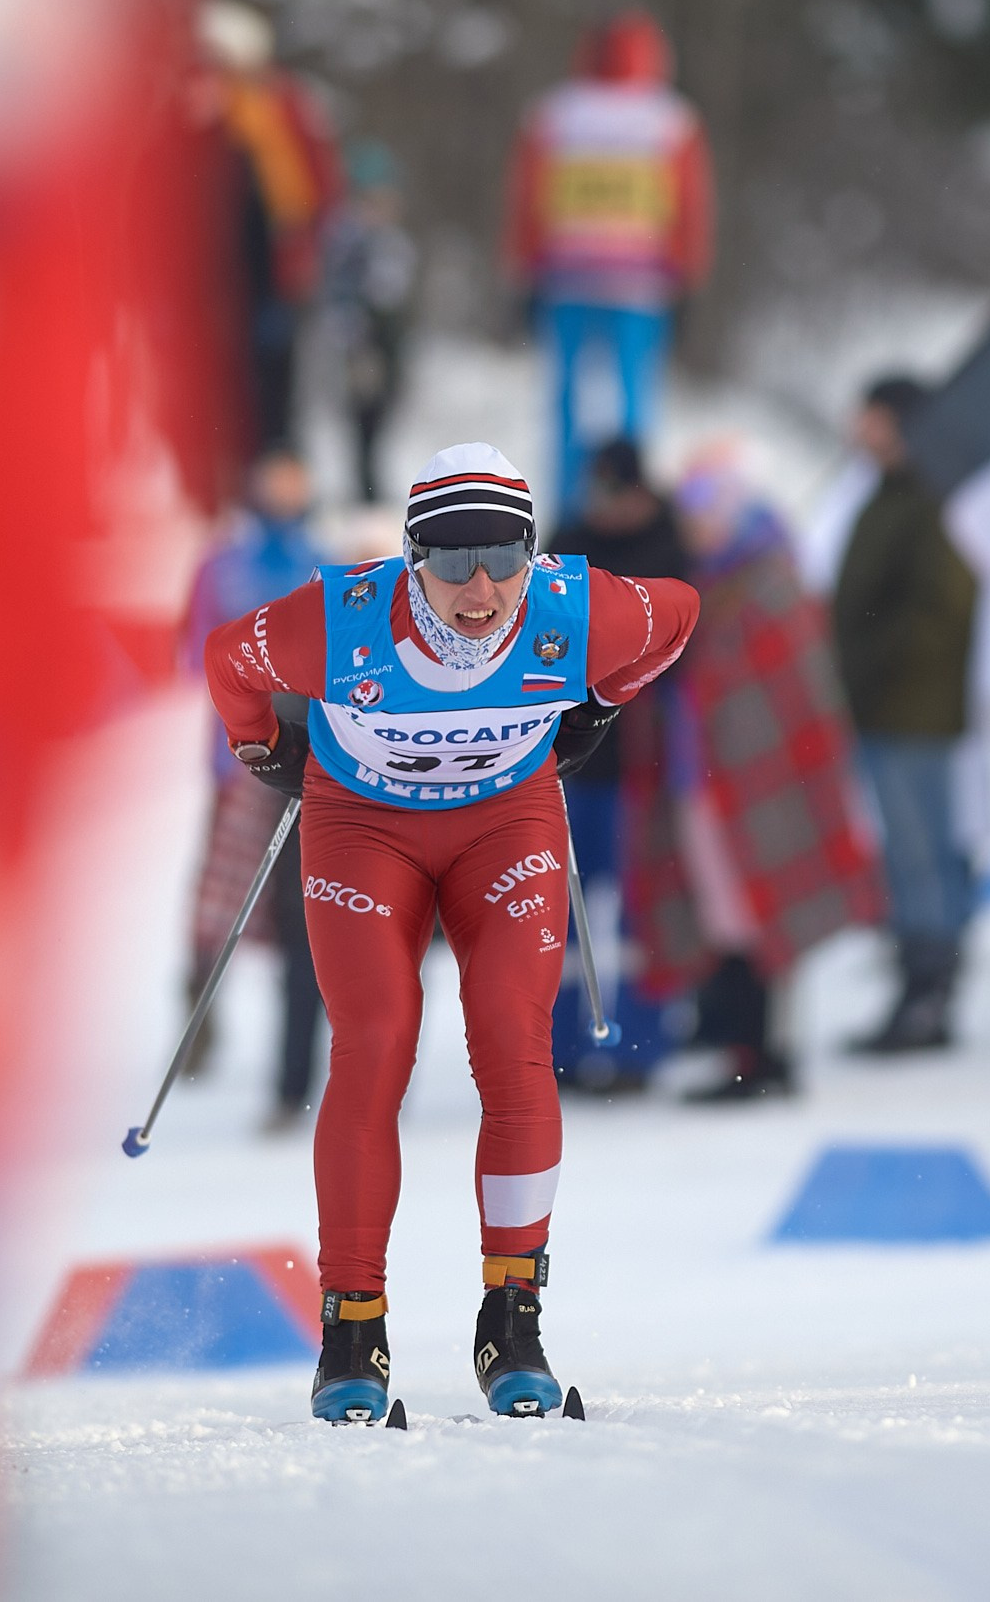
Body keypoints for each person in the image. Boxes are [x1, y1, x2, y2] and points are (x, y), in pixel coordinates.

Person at [202, 442, 698, 1421]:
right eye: (450, 561)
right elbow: (226, 659)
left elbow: (680, 613)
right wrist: (262, 747)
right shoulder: (338, 625)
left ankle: (512, 1319)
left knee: (513, 1044)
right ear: (410, 557)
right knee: (376, 1041)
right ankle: (353, 1326)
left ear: (532, 551)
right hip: (361, 829)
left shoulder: (577, 610)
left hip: (504, 825)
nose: (479, 588)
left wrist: (604, 698)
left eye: (504, 558)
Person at [620, 451, 884, 1103]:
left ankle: (764, 1054)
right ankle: (740, 1043)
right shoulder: (702, 579)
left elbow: (794, 685)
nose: (697, 527)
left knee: (762, 914)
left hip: (760, 781)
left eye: (707, 512)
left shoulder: (769, 578)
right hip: (701, 777)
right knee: (723, 915)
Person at [503, 11, 713, 517]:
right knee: (633, 405)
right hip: (641, 289)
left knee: (568, 404)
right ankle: (628, 509)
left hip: (567, 281)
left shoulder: (554, 114)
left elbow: (527, 200)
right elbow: (690, 207)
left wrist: (523, 272)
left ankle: (570, 513)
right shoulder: (671, 119)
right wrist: (688, 278)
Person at [179, 451, 331, 1129]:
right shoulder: (225, 561)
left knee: (302, 915)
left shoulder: (323, 560)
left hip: (304, 758)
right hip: (237, 757)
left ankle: (296, 1066)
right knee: (219, 904)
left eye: (294, 481)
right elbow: (193, 650)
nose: (284, 493)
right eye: (274, 480)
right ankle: (198, 1020)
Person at [832, 376, 982, 1054]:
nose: (862, 431)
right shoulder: (888, 495)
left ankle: (930, 993)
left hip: (913, 707)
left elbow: (937, 610)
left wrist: (868, 662)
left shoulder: (934, 497)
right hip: (881, 704)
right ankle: (916, 984)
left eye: (874, 419)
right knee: (903, 852)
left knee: (922, 854)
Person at [540, 437, 691, 1093]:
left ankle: (639, 1045)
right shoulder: (568, 542)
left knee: (640, 910)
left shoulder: (668, 546)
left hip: (643, 762)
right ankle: (555, 1051)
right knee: (555, 909)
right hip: (570, 759)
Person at [199, 0, 342, 452]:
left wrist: (311, 249)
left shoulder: (282, 105)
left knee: (274, 380)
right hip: (219, 276)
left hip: (274, 268)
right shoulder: (200, 110)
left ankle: (274, 474)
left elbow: (319, 185)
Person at [322, 139, 417, 503]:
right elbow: (341, 295)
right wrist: (353, 344)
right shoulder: (350, 240)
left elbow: (398, 292)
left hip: (387, 339)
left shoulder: (390, 238)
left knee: (384, 410)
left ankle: (371, 481)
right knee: (364, 416)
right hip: (363, 340)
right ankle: (364, 487)